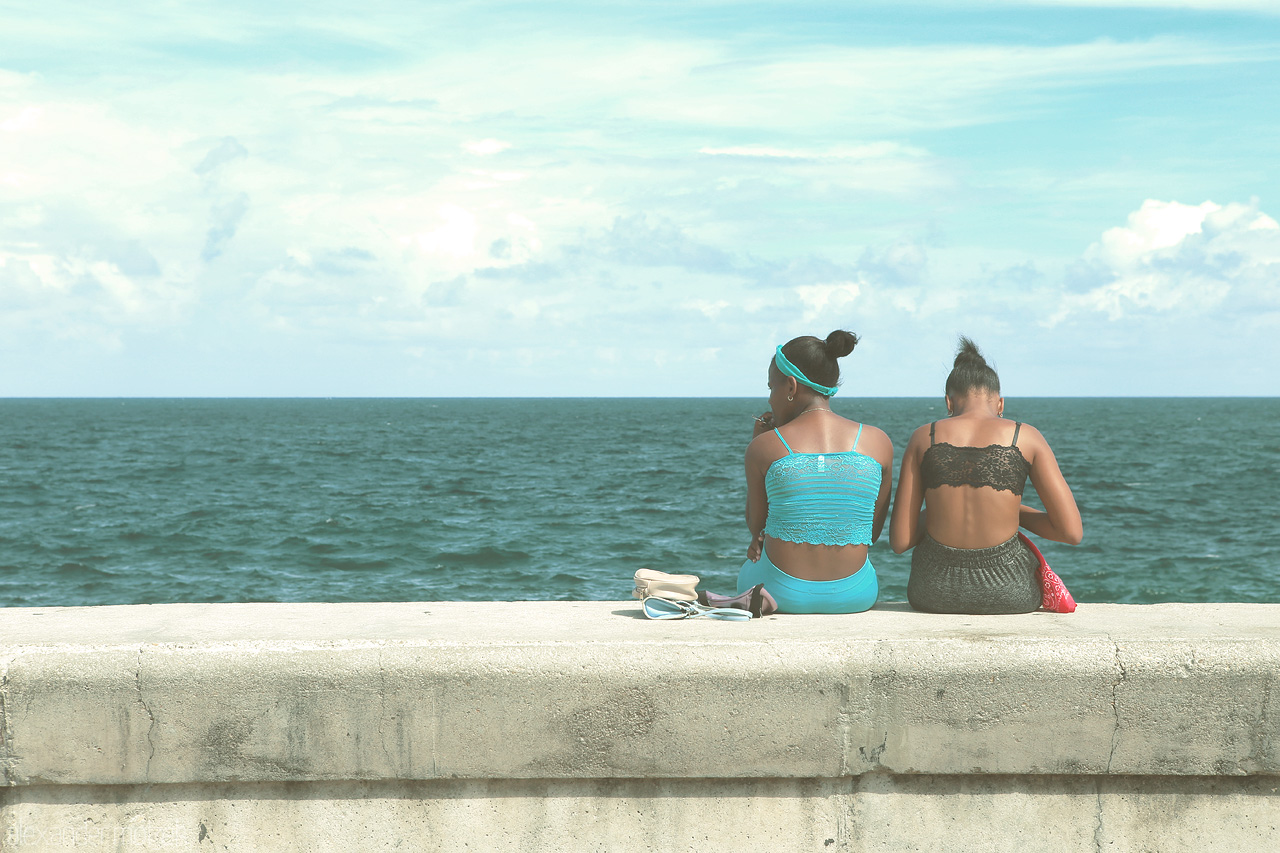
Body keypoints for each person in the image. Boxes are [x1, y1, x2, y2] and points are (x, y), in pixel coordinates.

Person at [890, 337, 1083, 613]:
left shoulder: (925, 437)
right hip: (1010, 593)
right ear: (1001, 403)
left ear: (948, 402)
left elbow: (900, 542)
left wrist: (939, 508)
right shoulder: (1025, 436)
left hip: (931, 592)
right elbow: (1071, 533)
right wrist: (1015, 512)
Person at [740, 330, 894, 613]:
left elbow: (755, 525)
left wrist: (758, 441)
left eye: (771, 387)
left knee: (748, 570)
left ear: (790, 386)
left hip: (779, 593)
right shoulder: (878, 442)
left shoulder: (763, 447)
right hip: (856, 594)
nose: (770, 399)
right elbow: (870, 531)